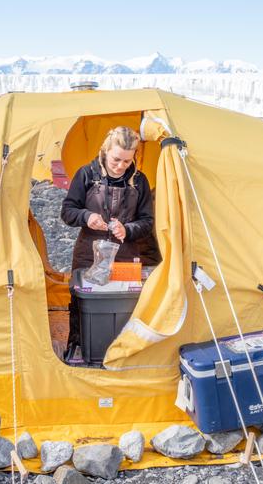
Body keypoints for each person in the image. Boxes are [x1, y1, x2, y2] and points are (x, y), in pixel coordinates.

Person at [60, 126, 155, 361]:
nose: (121, 165)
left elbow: (147, 221)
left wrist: (128, 229)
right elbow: (67, 211)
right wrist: (87, 217)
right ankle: (80, 349)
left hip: (125, 254)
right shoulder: (86, 175)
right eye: (116, 159)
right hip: (87, 255)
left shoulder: (139, 181)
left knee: (124, 304)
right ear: (105, 150)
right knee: (82, 302)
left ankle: (121, 353)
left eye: (127, 160)